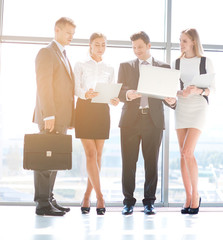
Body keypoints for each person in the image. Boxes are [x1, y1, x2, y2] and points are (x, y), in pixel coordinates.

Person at [118, 31, 176, 215]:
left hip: (153, 120)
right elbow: (119, 91)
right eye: (134, 47)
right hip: (130, 121)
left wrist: (172, 101)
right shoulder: (125, 66)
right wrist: (128, 94)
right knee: (129, 163)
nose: (137, 51)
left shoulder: (163, 67)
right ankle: (128, 202)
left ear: (149, 46)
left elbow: (169, 96)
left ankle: (149, 202)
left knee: (151, 163)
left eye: (140, 47)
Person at [32, 17, 76, 216]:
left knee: (55, 160)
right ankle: (42, 203)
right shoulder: (47, 52)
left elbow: (66, 90)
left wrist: (70, 118)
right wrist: (48, 114)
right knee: (45, 160)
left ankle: (49, 198)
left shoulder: (63, 55)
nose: (71, 37)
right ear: (57, 30)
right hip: (51, 116)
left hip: (61, 117)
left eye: (73, 34)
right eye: (68, 33)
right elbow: (44, 85)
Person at [74, 32, 120, 215]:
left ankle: (86, 196)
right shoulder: (80, 65)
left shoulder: (110, 68)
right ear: (90, 46)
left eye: (103, 45)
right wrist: (86, 93)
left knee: (98, 155)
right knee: (90, 154)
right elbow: (75, 88)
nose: (100, 48)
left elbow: (110, 91)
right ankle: (100, 197)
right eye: (97, 44)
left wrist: (113, 100)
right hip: (84, 109)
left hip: (102, 111)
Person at [174, 28, 215, 214]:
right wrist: (181, 92)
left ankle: (196, 194)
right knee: (183, 154)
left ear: (193, 42)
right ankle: (188, 196)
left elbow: (212, 89)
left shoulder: (205, 62)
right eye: (180, 40)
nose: (181, 44)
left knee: (187, 151)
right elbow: (171, 88)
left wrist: (197, 90)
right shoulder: (177, 62)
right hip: (182, 108)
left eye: (184, 41)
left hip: (198, 107)